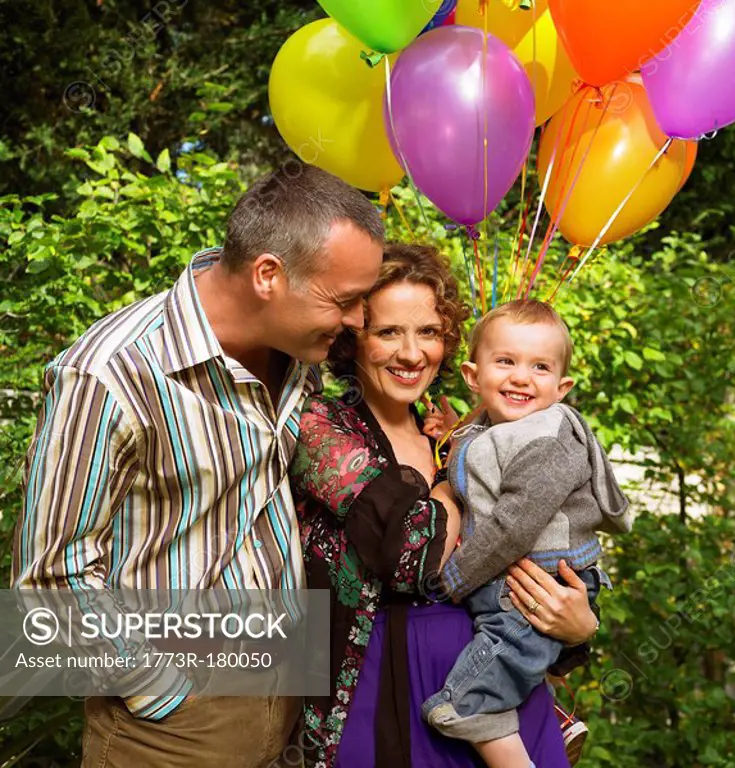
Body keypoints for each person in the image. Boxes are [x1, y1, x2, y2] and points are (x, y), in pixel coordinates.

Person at [11, 163, 385, 768]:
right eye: (346, 300)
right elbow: (53, 578)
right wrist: (162, 693)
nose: (358, 321)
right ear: (269, 274)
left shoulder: (296, 351)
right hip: (172, 729)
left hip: (288, 694)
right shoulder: (110, 373)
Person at [290, 243, 601, 768]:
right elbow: (416, 557)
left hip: (489, 693)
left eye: (429, 333)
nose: (412, 354)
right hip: (382, 684)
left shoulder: (457, 432)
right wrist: (460, 473)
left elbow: (541, 549)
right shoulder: (324, 428)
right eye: (388, 331)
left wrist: (578, 628)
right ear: (352, 338)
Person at [421, 300, 631, 768]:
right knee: (504, 658)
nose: (521, 377)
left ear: (563, 387)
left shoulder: (547, 437)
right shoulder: (496, 426)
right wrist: (449, 430)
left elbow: (513, 524)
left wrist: (454, 578)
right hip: (516, 581)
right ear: (474, 377)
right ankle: (552, 716)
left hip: (542, 578)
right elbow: (481, 453)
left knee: (477, 693)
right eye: (506, 362)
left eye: (540, 367)